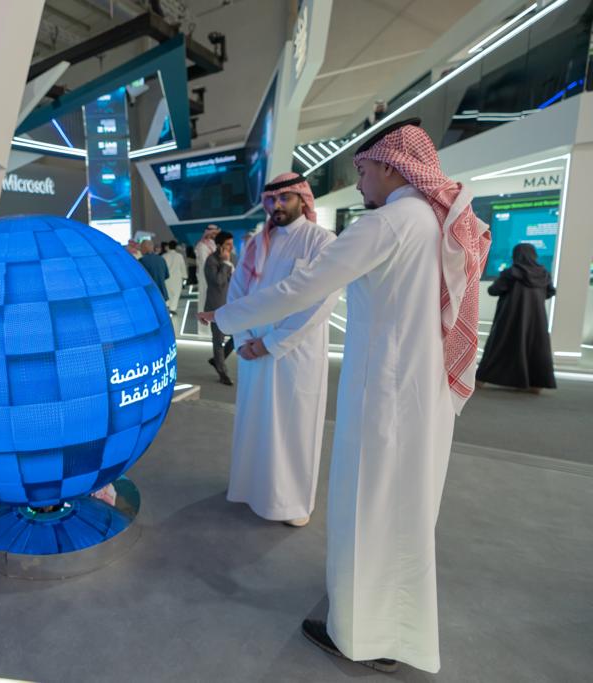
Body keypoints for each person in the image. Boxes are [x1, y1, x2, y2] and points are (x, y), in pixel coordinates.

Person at [199, 119, 490, 674]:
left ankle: (363, 638)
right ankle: (390, 627)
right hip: (419, 392)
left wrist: (227, 316)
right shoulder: (433, 219)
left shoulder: (389, 223)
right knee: (404, 513)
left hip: (386, 394)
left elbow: (304, 288)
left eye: (363, 171)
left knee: (369, 508)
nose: (359, 183)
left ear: (391, 167)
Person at [226, 172, 337, 528]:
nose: (277, 205)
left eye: (285, 198)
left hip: (293, 353)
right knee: (255, 424)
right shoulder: (256, 244)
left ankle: (292, 502)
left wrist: (271, 343)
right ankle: (252, 490)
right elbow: (236, 292)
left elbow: (321, 302)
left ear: (303, 200)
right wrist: (243, 339)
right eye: (272, 199)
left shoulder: (321, 241)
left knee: (293, 428)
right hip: (251, 351)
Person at [476, 243, 556, 393]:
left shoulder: (511, 273)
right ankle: (536, 385)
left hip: (510, 317)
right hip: (536, 319)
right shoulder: (544, 274)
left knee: (499, 345)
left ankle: (481, 379)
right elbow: (550, 292)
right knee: (535, 347)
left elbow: (494, 290)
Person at [203, 231, 236, 385]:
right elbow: (218, 282)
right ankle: (223, 372)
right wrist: (225, 264)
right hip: (216, 306)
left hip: (232, 304)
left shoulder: (233, 258)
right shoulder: (211, 261)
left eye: (231, 244)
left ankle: (217, 360)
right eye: (228, 244)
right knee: (218, 340)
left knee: (238, 335)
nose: (231, 247)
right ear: (219, 246)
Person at [195, 225, 220, 333]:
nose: (214, 235)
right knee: (205, 301)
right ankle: (204, 330)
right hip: (206, 278)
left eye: (215, 233)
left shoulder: (213, 244)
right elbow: (205, 263)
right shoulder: (201, 246)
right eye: (213, 233)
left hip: (215, 277)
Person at [162, 240, 187, 315]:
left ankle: (167, 306)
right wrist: (185, 276)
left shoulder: (164, 256)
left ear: (168, 246)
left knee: (168, 293)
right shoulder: (179, 256)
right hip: (177, 278)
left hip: (166, 278)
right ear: (176, 247)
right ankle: (173, 308)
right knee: (176, 294)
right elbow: (182, 266)